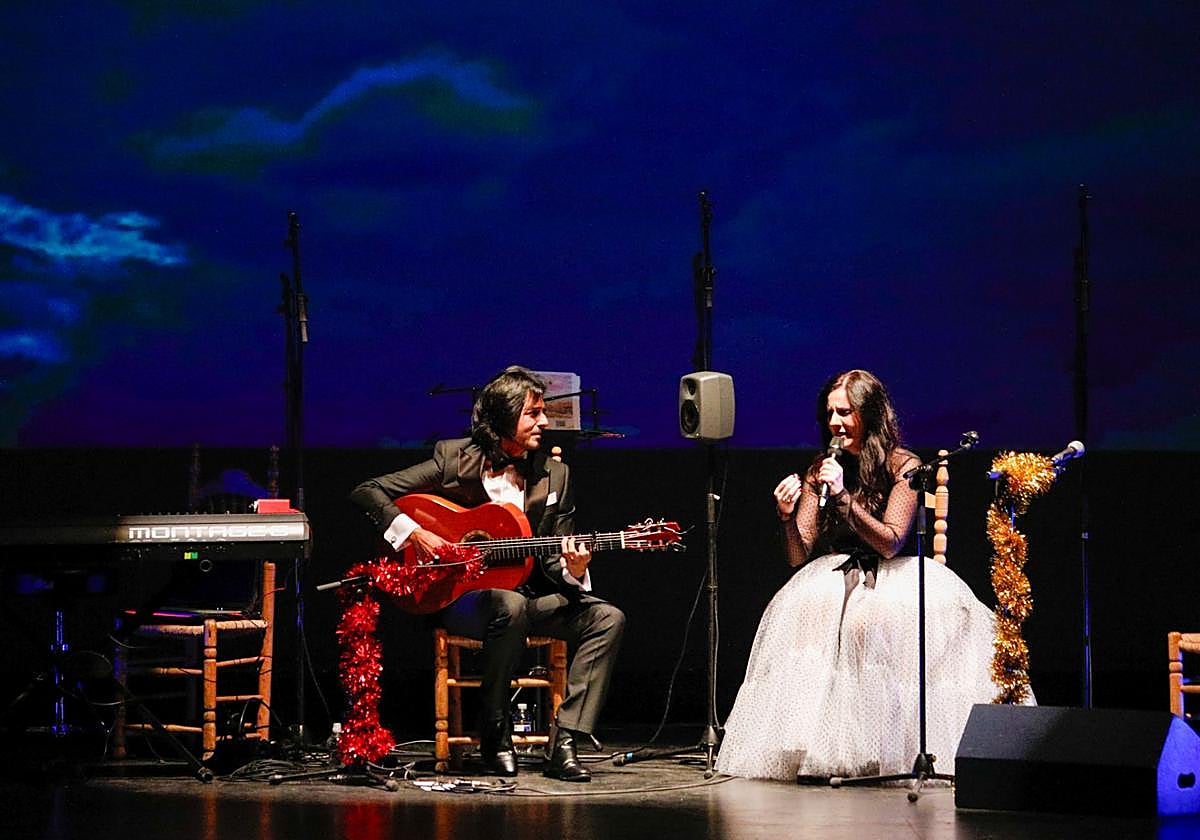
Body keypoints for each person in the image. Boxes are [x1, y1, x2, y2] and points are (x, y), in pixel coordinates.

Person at [715, 369, 1013, 781]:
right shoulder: (822, 468)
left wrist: (842, 497)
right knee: (809, 616)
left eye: (845, 413)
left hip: (892, 574)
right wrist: (786, 517)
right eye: (830, 414)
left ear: (869, 414)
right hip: (835, 573)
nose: (835, 423)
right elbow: (798, 554)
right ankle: (817, 746)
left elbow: (890, 541)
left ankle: (886, 748)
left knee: (868, 622)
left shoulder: (904, 465)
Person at [350, 366, 624, 781]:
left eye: (543, 412)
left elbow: (552, 561)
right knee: (508, 605)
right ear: (503, 417)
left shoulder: (555, 474)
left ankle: (565, 740)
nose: (544, 422)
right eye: (533, 413)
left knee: (607, 618)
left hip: (529, 597)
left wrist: (574, 569)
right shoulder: (454, 458)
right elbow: (368, 491)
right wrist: (416, 534)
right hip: (461, 599)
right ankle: (494, 731)